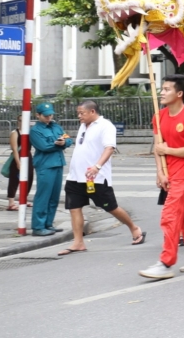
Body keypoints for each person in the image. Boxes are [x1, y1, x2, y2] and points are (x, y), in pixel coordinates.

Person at [139, 75, 184, 279]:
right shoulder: (159, 117)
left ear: (179, 93)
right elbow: (158, 148)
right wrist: (160, 172)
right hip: (170, 172)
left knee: (170, 215)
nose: (162, 93)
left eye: (167, 89)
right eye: (161, 89)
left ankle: (166, 262)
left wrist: (167, 149)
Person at [58, 100, 144, 255]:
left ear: (92, 112)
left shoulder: (106, 126)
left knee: (110, 207)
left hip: (95, 177)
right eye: (78, 113)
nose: (79, 116)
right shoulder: (84, 126)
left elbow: (109, 148)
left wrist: (97, 167)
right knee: (73, 207)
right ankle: (78, 242)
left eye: (82, 113)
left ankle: (134, 228)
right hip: (75, 176)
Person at [28, 102, 70, 236]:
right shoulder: (35, 131)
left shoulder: (56, 126)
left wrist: (64, 142)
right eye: (46, 115)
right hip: (45, 165)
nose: (49, 117)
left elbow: (68, 139)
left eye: (50, 115)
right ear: (38, 115)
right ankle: (38, 226)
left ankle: (48, 223)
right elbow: (43, 147)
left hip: (58, 163)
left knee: (54, 196)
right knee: (43, 196)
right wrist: (60, 145)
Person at [4, 124, 31, 212]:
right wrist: (18, 162)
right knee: (14, 180)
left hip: (28, 156)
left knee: (29, 178)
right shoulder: (15, 133)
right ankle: (11, 203)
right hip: (18, 157)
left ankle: (23, 199)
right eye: (21, 121)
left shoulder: (29, 132)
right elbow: (14, 149)